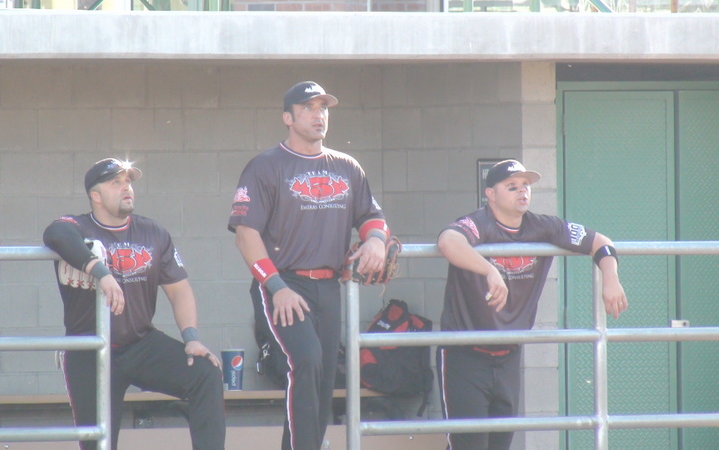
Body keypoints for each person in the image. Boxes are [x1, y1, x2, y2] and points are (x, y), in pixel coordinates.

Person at [228, 81, 390, 450]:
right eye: (308, 108)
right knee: (307, 360)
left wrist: (376, 240)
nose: (319, 115)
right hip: (283, 282)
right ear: (288, 118)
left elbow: (371, 216)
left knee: (324, 377)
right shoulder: (266, 166)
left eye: (323, 108)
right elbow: (245, 235)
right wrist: (277, 287)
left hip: (329, 286)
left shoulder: (347, 166)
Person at [436, 159, 628, 450]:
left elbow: (600, 241)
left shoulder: (542, 225)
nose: (522, 191)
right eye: (512, 186)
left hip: (509, 355)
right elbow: (448, 241)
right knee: (468, 445)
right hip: (465, 353)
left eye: (526, 185)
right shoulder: (479, 222)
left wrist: (610, 277)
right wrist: (489, 270)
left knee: (501, 444)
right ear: (491, 194)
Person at [43, 158, 225, 450]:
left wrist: (191, 337)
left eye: (128, 182)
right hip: (89, 349)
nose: (126, 187)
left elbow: (179, 291)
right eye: (115, 182)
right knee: (98, 444)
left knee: (205, 374)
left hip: (140, 344)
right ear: (95, 195)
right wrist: (100, 272)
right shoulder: (78, 226)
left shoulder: (152, 232)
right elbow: (55, 234)